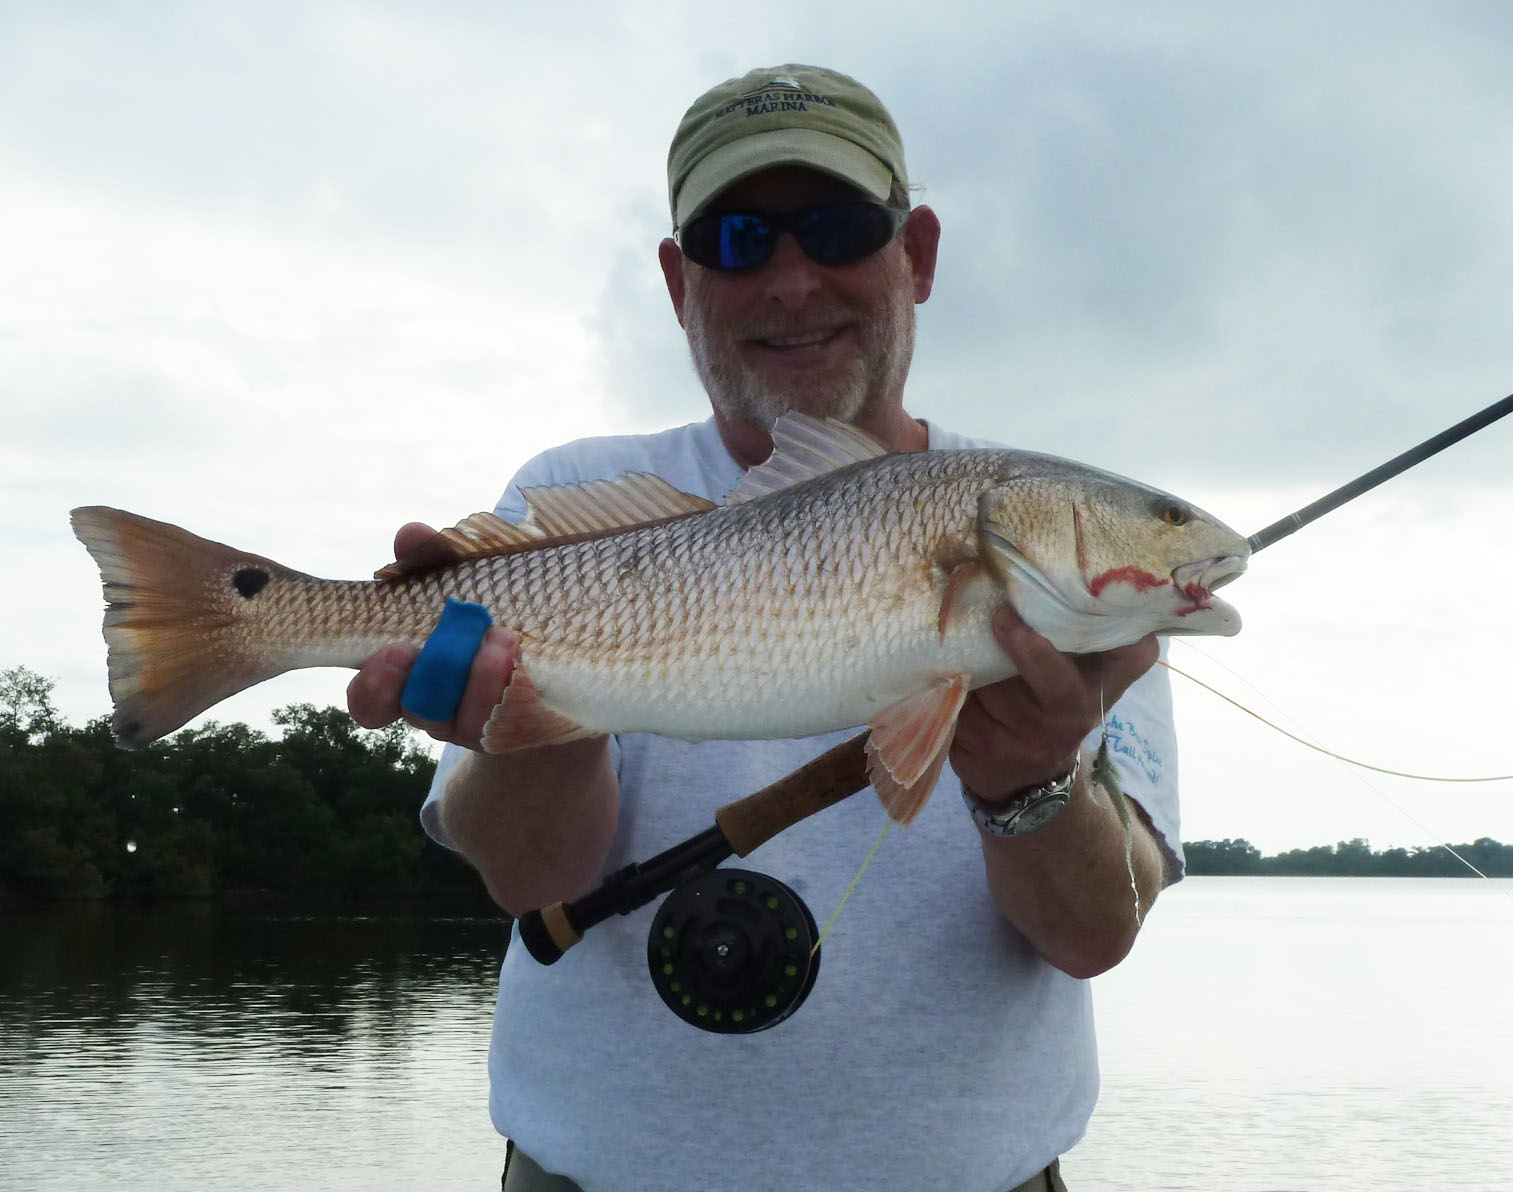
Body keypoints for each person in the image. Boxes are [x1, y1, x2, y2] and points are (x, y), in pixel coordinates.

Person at [348, 63, 1181, 1192]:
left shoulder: (1053, 545)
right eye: (737, 239)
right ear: (677, 280)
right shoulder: (564, 497)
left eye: (838, 228)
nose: (791, 281)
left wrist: (1029, 780)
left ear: (917, 254)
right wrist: (531, 722)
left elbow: (1094, 934)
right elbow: (530, 874)